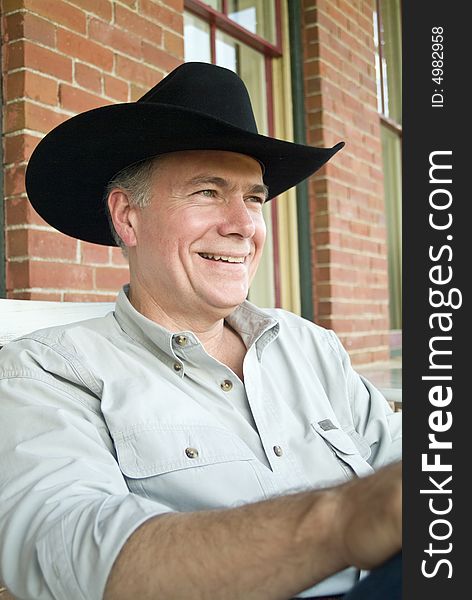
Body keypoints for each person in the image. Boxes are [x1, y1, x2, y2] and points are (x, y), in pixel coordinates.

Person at [0, 62, 402, 600]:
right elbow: (68, 554)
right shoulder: (50, 371)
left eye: (254, 198)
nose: (243, 224)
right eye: (208, 192)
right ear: (127, 218)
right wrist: (339, 521)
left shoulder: (312, 347)